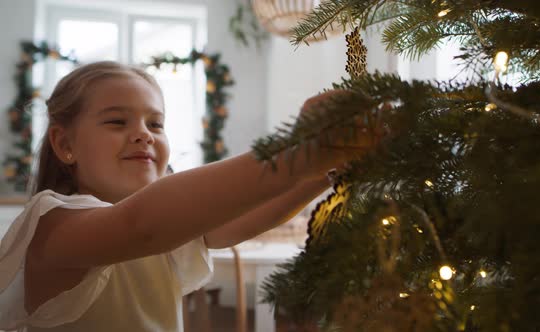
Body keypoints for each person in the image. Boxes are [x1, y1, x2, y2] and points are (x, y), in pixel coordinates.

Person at [0, 61, 385, 331]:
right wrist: (296, 153)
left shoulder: (171, 228)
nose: (144, 134)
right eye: (117, 121)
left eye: (156, 123)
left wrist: (329, 169)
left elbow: (241, 217)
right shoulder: (52, 223)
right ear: (64, 143)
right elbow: (140, 225)